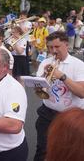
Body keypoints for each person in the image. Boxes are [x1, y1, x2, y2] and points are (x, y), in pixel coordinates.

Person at [34, 31, 84, 161]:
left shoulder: (78, 65)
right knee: (42, 149)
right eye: (50, 47)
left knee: (68, 152)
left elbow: (81, 93)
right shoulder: (45, 62)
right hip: (47, 113)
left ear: (66, 45)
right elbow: (39, 88)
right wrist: (39, 82)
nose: (53, 51)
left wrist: (62, 76)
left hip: (70, 117)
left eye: (57, 47)